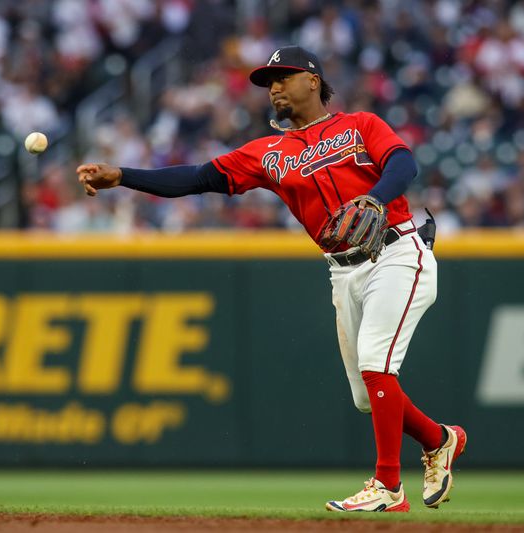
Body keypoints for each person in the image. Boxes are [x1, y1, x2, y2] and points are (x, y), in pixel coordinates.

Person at [76, 45, 466, 513]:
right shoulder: (267, 153)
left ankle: (388, 485)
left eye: (283, 76)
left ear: (313, 81)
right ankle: (439, 439)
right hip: (343, 271)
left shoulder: (360, 125)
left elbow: (404, 165)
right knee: (368, 395)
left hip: (398, 252)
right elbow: (198, 178)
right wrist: (122, 176)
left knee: (376, 362)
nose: (274, 87)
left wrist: (377, 199)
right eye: (268, 81)